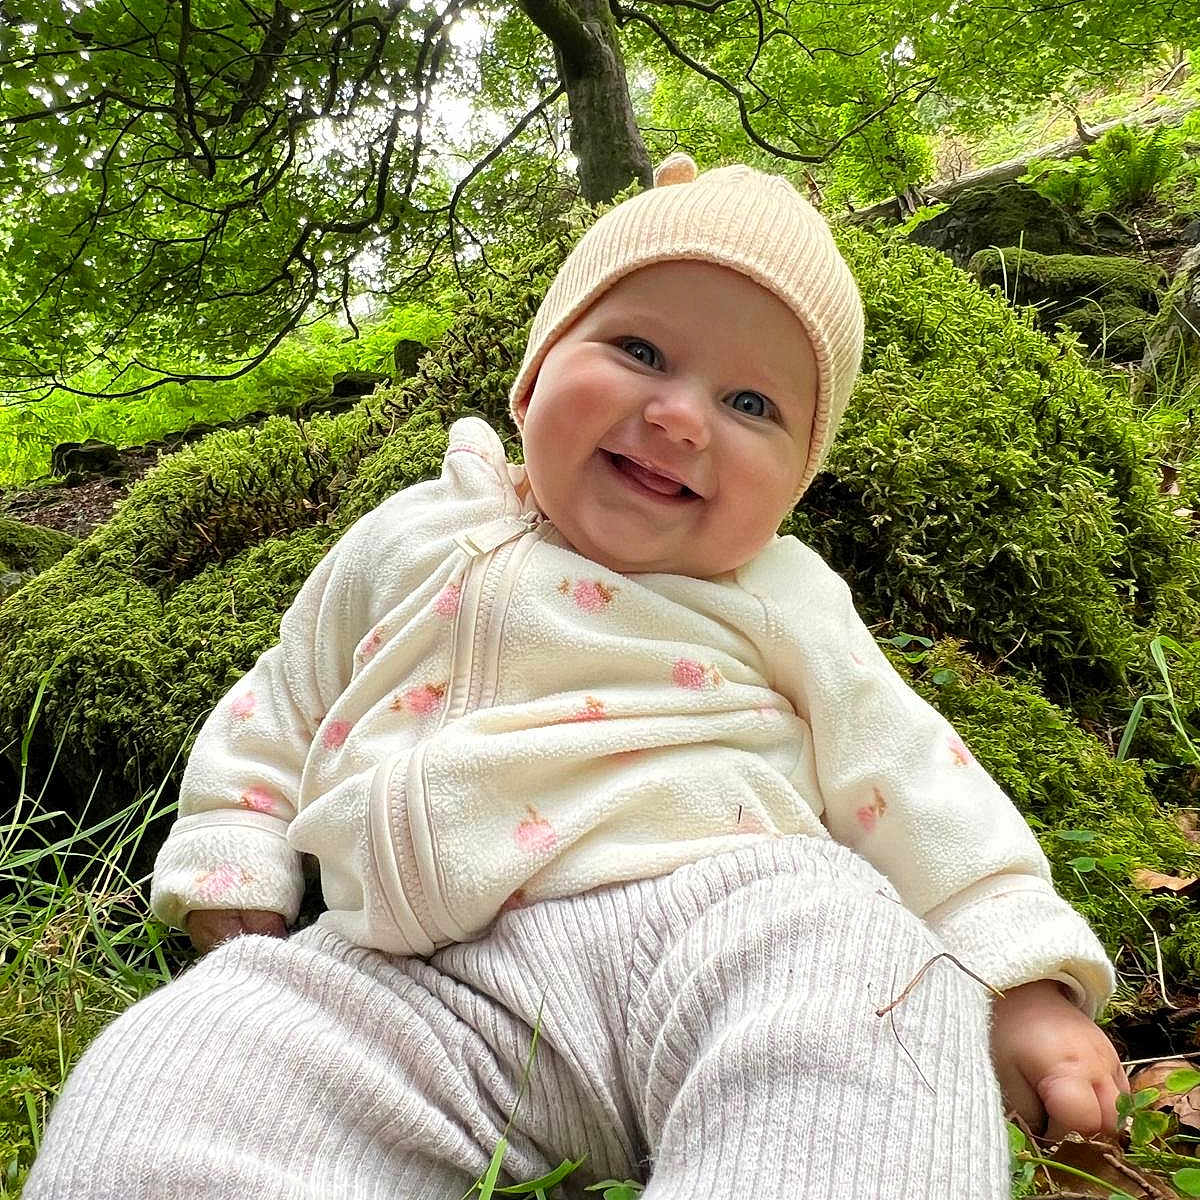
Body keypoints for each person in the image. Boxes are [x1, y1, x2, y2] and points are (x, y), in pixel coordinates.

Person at [25, 154, 1127, 1200]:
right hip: (412, 978)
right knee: (179, 1063)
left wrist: (1023, 981)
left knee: (875, 997)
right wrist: (235, 864)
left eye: (754, 405)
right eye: (641, 352)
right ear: (535, 370)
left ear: (798, 481)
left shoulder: (783, 589)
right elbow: (284, 697)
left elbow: (914, 777)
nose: (681, 415)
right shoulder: (412, 531)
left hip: (737, 923)